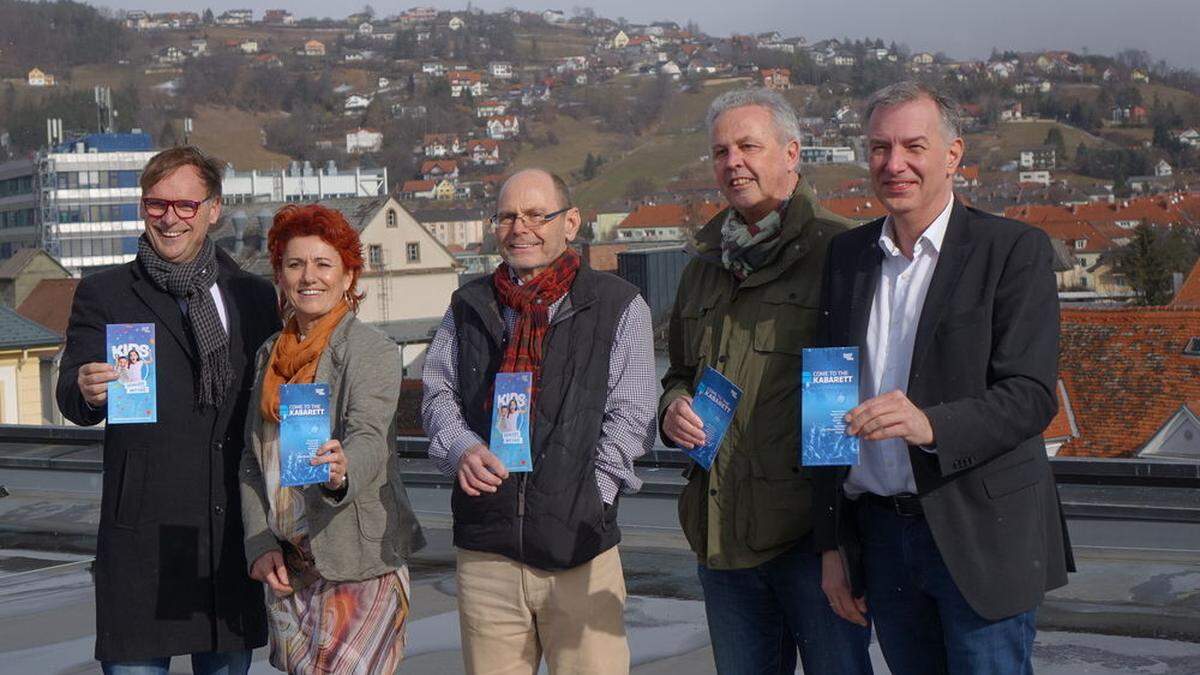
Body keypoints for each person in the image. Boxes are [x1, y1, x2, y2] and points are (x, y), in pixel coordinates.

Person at [814, 81, 1073, 675]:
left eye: (913, 146)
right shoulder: (847, 257)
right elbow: (825, 400)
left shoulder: (1012, 250)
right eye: (880, 148)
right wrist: (831, 543)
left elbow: (1032, 396)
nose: (894, 164)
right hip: (881, 536)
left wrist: (929, 424)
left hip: (980, 535)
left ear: (953, 155)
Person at [659, 88, 873, 674]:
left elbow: (861, 391)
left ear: (791, 153)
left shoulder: (843, 250)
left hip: (813, 541)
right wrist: (673, 406)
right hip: (722, 537)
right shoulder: (703, 263)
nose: (734, 163)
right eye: (721, 151)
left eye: (749, 146)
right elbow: (678, 372)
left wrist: (837, 540)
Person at [422, 168, 656, 675]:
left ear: (569, 222)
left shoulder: (618, 304)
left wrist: (595, 495)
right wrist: (461, 447)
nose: (519, 228)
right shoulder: (468, 305)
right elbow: (437, 393)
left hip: (580, 550)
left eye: (535, 215)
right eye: (506, 216)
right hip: (488, 553)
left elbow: (633, 413)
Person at [57, 146, 278, 674]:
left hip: (227, 532)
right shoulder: (105, 294)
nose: (170, 218)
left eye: (184, 205)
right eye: (157, 205)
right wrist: (85, 389)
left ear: (213, 209)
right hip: (144, 540)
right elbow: (71, 396)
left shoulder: (253, 295)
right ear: (143, 207)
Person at [240, 204, 426, 674]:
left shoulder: (371, 351)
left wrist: (341, 473)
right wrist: (259, 542)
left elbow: (368, 438)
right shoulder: (268, 355)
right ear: (280, 276)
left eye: (324, 264)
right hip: (290, 570)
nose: (309, 277)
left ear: (348, 277)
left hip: (358, 565)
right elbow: (250, 458)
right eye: (295, 264)